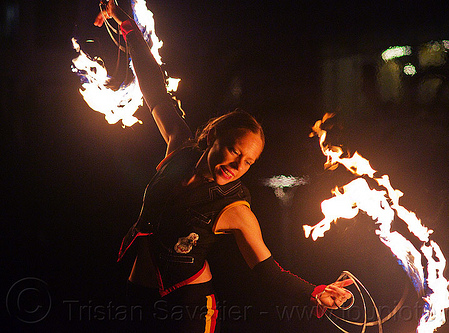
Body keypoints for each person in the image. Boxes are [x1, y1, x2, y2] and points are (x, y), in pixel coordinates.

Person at [95, 1, 353, 332]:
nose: (237, 165)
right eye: (233, 150)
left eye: (248, 161)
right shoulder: (180, 148)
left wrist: (314, 292)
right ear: (213, 137)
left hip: (187, 308)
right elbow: (154, 89)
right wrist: (127, 26)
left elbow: (267, 269)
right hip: (136, 297)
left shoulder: (235, 207)